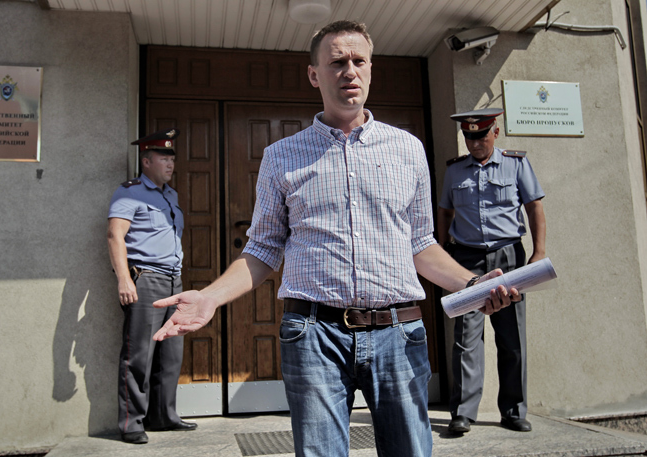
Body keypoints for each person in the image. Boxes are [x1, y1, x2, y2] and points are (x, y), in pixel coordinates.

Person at [152, 21, 519, 457]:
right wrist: (211, 297)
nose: (350, 71)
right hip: (313, 335)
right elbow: (264, 248)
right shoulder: (280, 157)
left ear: (370, 69)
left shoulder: (407, 149)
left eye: (359, 61)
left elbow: (420, 243)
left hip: (399, 332)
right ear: (314, 74)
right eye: (337, 62)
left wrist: (473, 287)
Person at [437, 108, 547, 434]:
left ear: (495, 133)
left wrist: (539, 251)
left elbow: (534, 206)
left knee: (511, 336)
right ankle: (463, 413)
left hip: (508, 257)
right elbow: (445, 211)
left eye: (481, 136)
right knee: (466, 338)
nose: (475, 144)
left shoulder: (516, 163)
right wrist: (442, 250)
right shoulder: (455, 171)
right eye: (469, 137)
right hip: (467, 259)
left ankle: (513, 410)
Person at [106, 128, 197, 444]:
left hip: (174, 281)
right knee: (139, 355)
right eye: (163, 158)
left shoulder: (170, 195)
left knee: (171, 354)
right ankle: (132, 423)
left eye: (172, 158)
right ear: (146, 161)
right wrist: (124, 279)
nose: (171, 164)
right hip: (146, 280)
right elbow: (115, 236)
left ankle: (164, 416)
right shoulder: (129, 192)